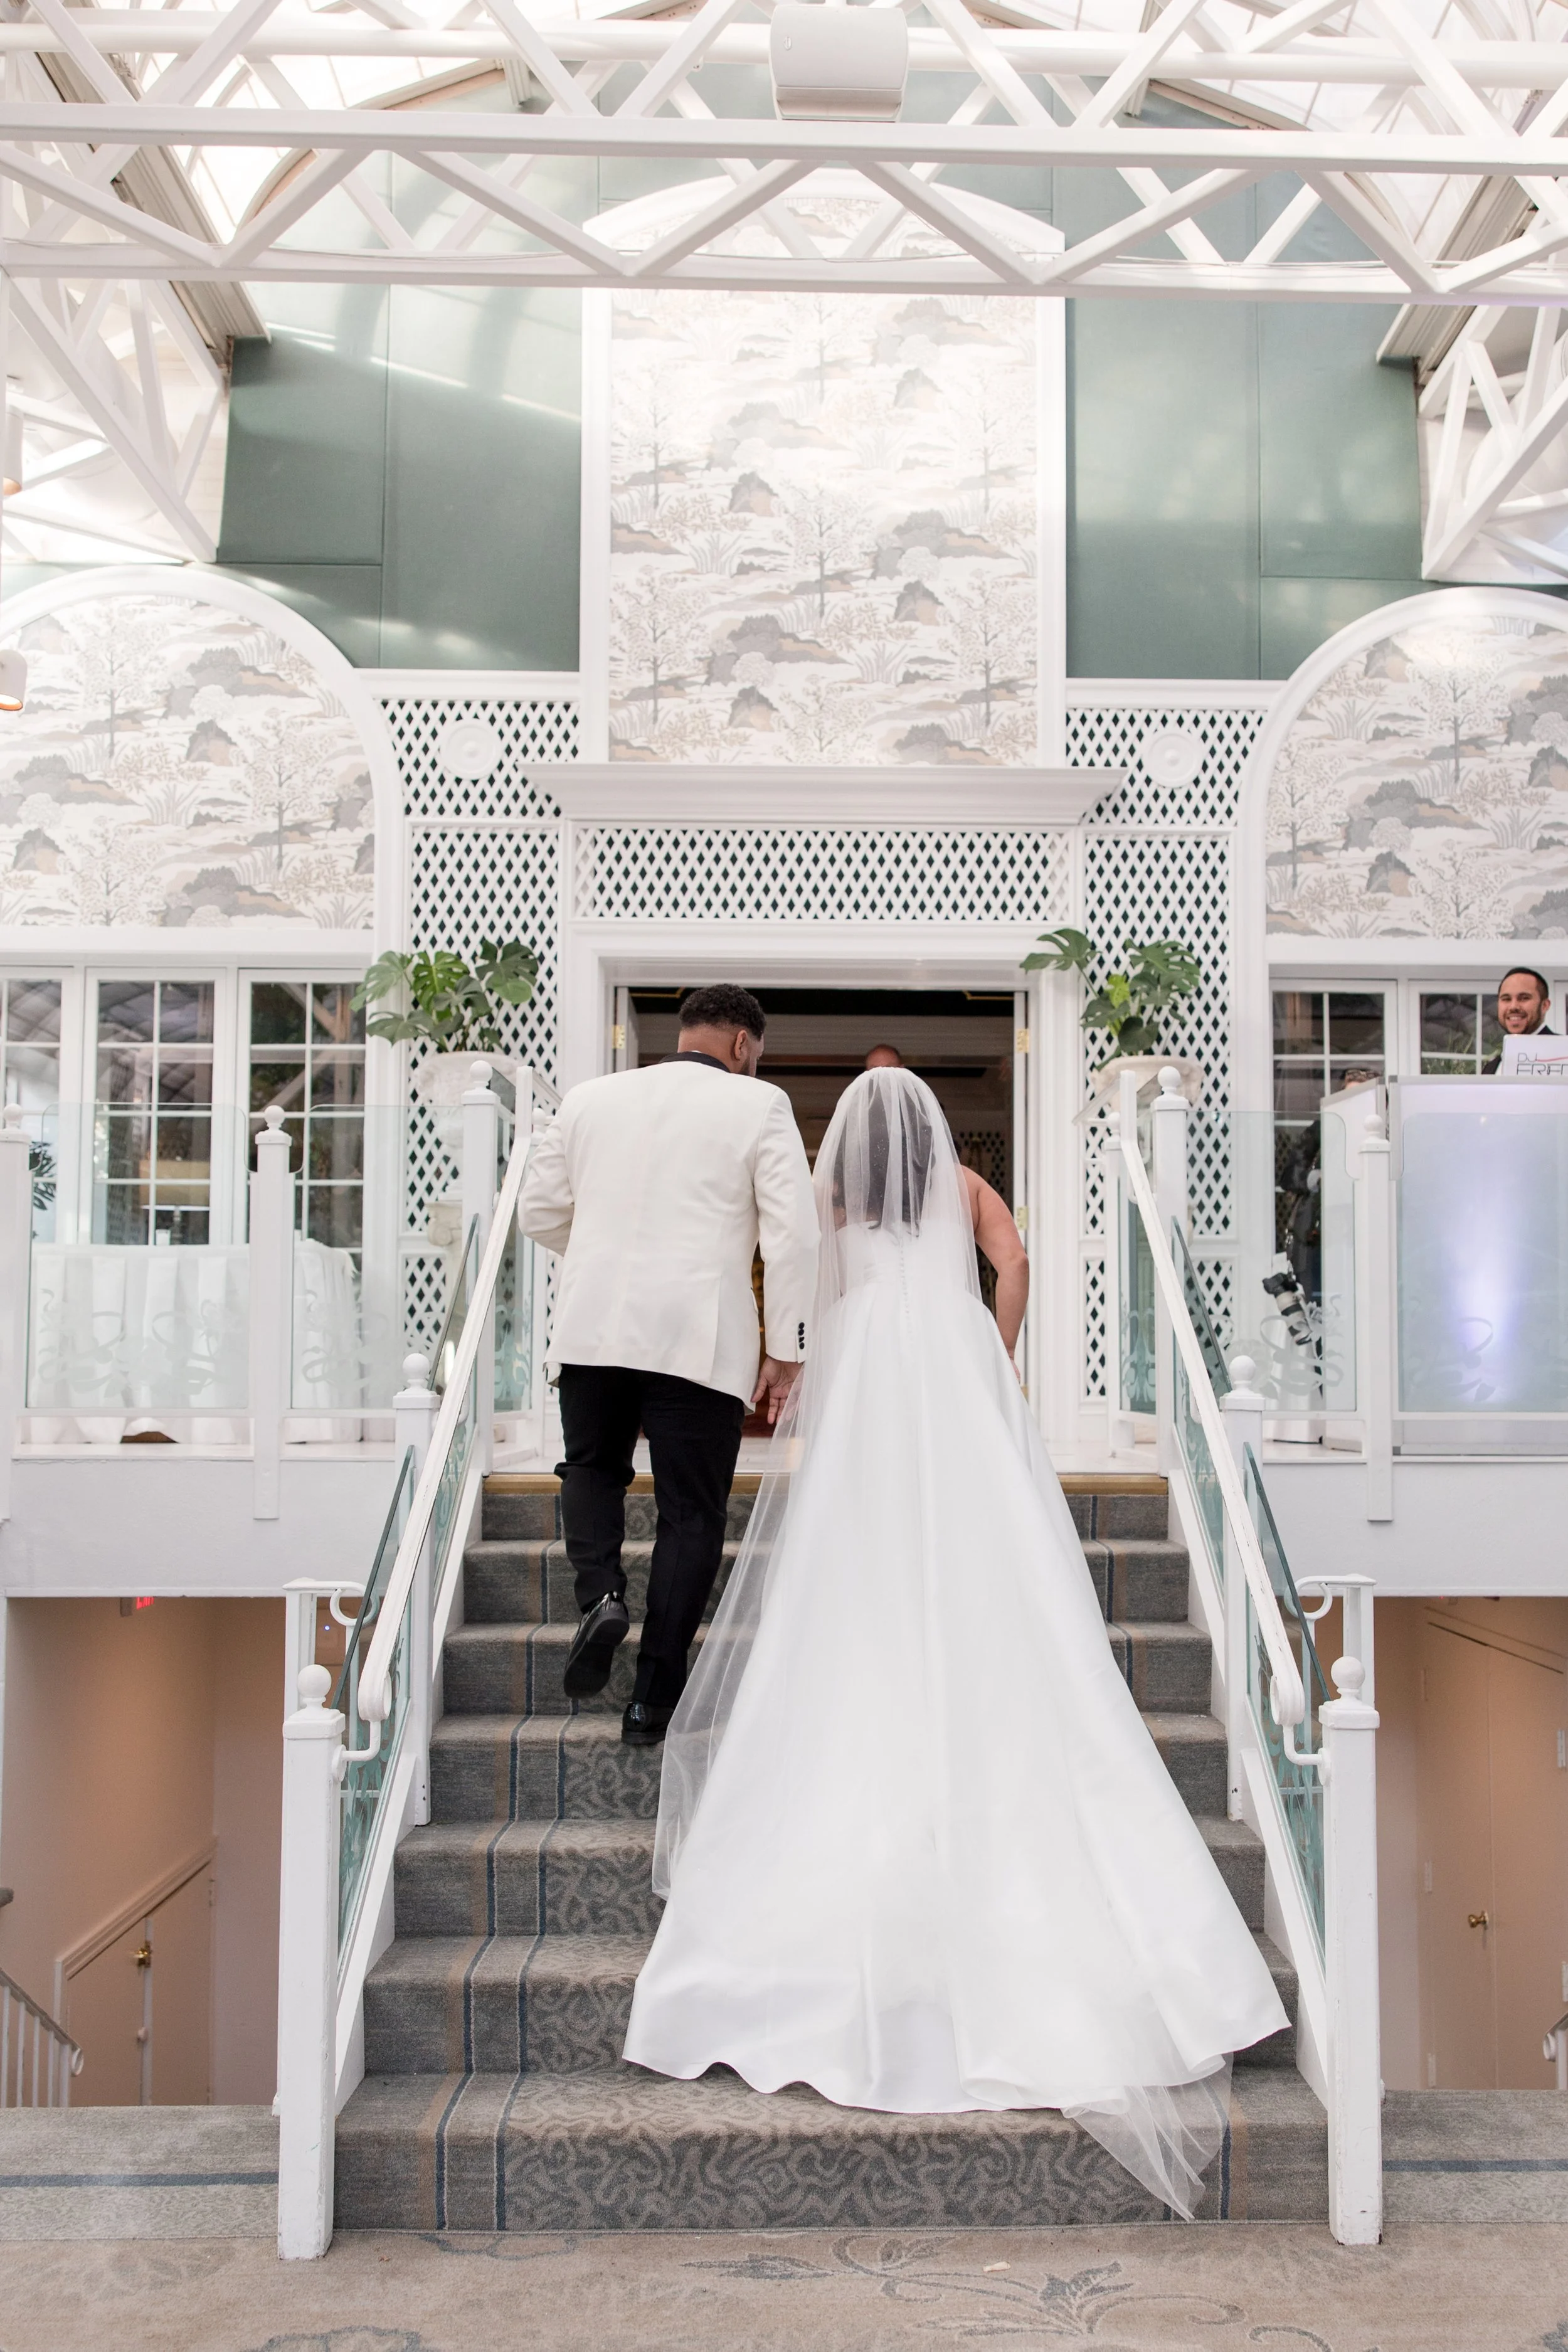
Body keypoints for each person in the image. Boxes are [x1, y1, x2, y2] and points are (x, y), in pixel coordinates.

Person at [623, 1066, 1286, 2214]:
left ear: (852, 1146)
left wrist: (798, 1367)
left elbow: (810, 1298)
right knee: (989, 1549)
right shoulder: (969, 1186)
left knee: (855, 1548)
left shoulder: (834, 1211)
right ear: (929, 1134)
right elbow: (1017, 1263)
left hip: (870, 1378)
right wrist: (997, 1339)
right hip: (953, 1366)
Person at [518, 983, 818, 1747]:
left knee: (591, 1468)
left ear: (685, 1033)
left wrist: (604, 1251)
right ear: (744, 1046)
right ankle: (652, 1698)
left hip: (591, 1326)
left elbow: (538, 1213)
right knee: (691, 1513)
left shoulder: (589, 1099)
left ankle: (601, 1599)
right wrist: (787, 1351)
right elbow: (793, 1237)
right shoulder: (760, 1107)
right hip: (697, 1336)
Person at [1483, 967, 1552, 1071]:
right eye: (1506, 999)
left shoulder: (1564, 1053)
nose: (1513, 1007)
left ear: (1545, 1006)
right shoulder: (1490, 1068)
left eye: (1524, 998)